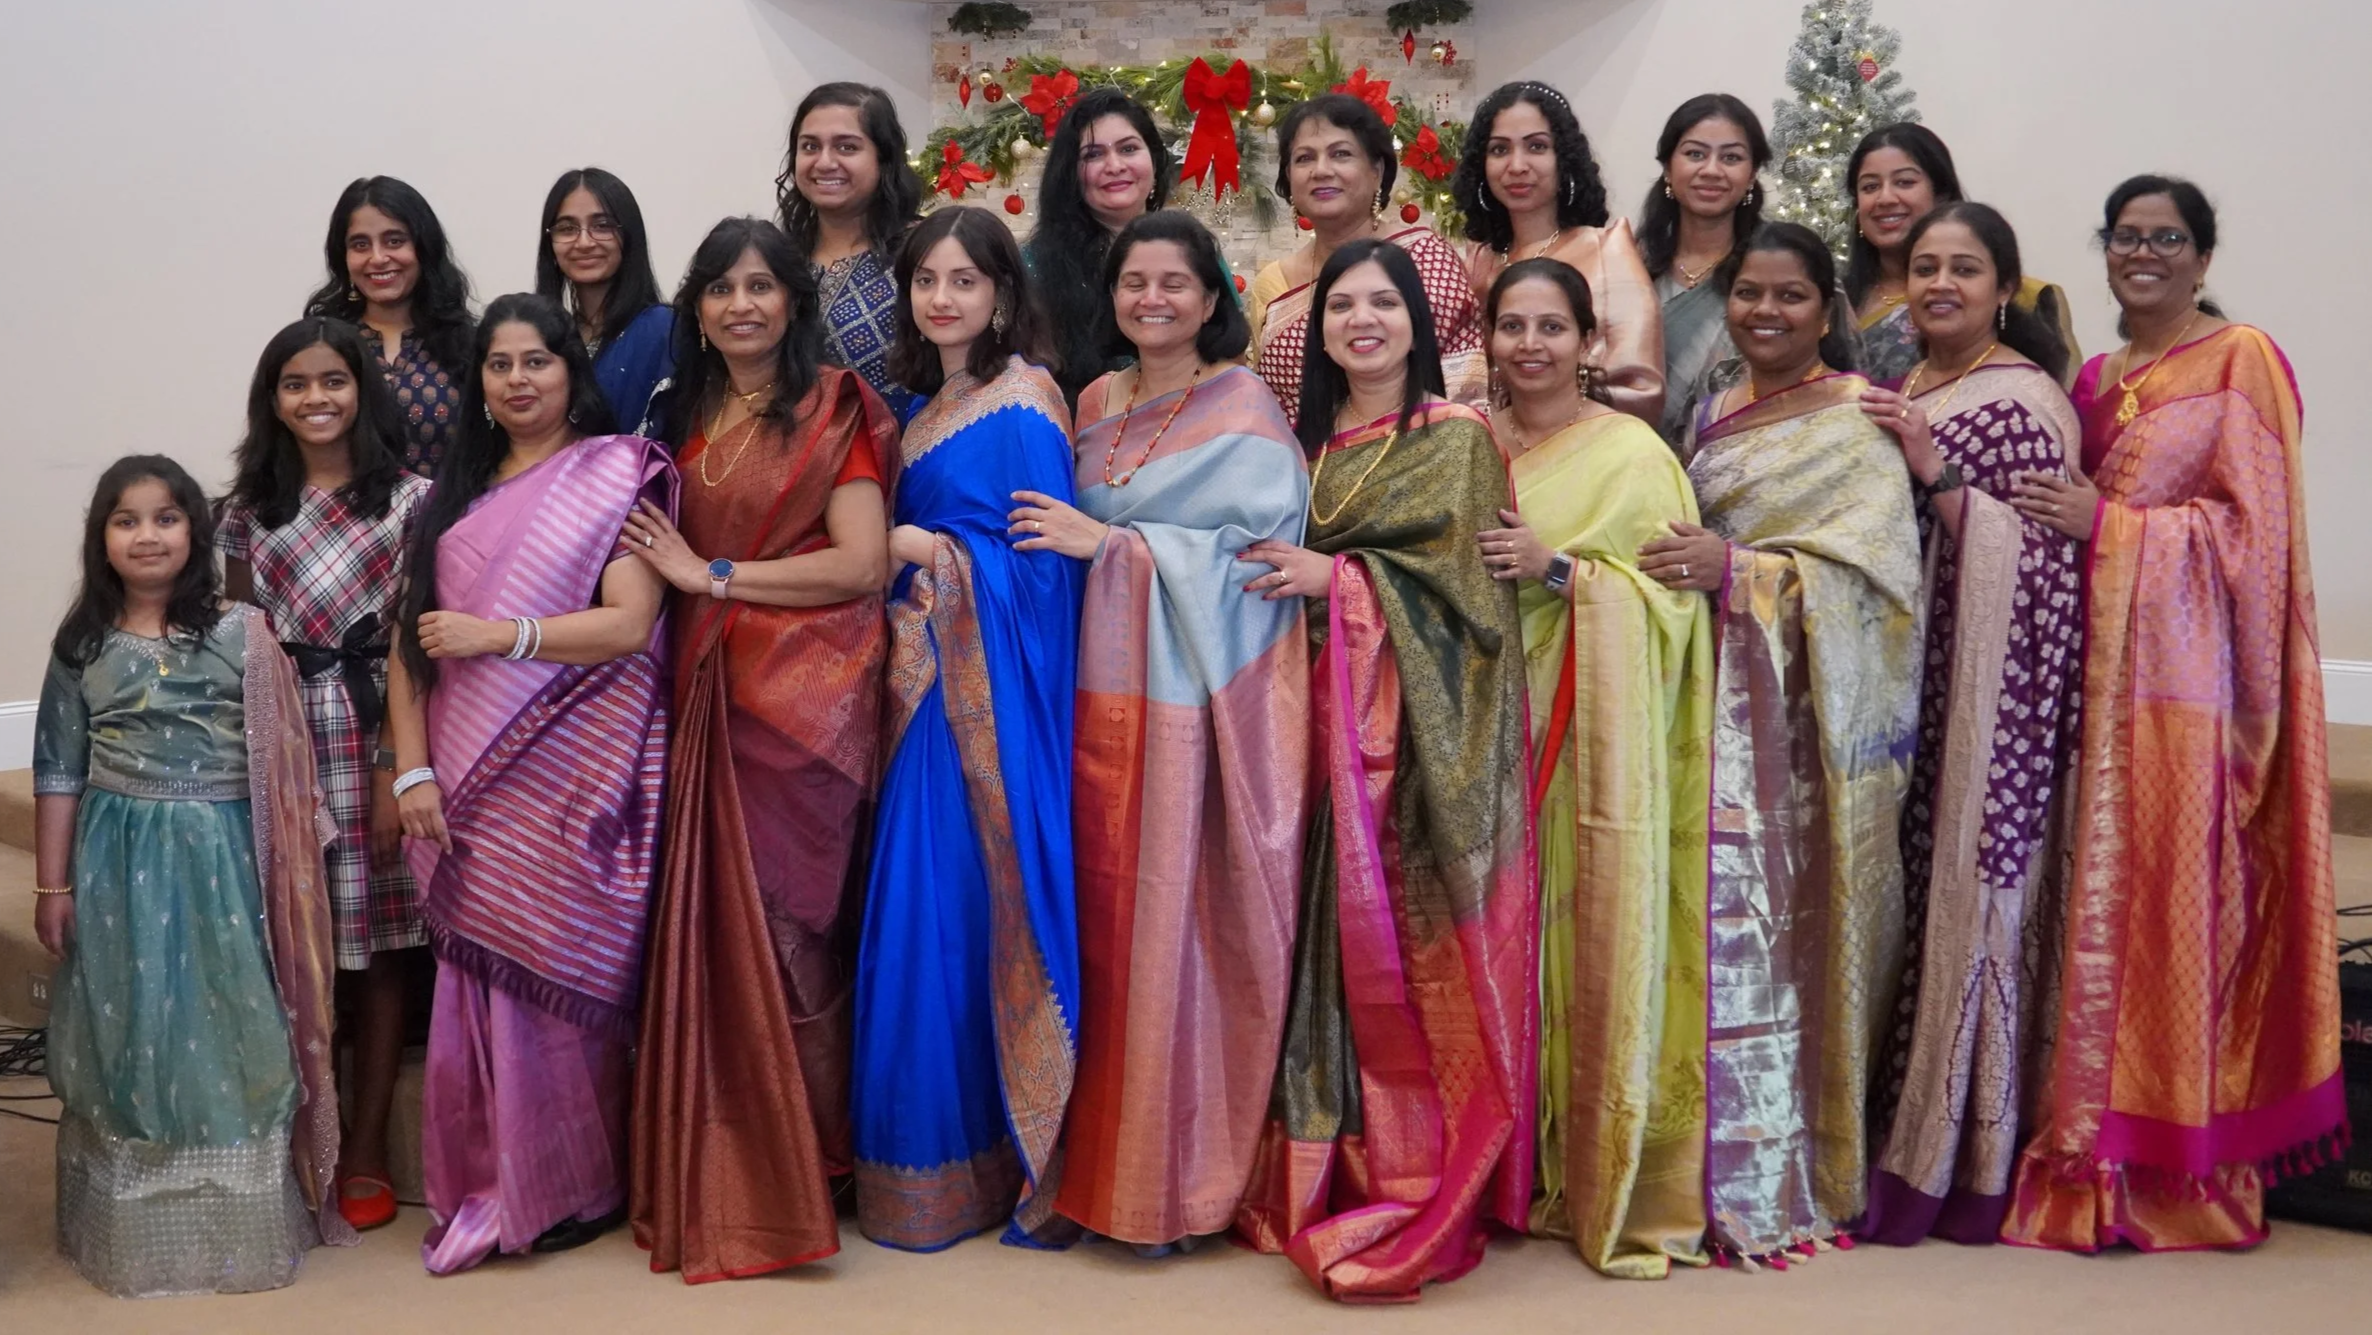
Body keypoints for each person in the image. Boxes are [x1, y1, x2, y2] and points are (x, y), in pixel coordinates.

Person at [2001, 176, 2341, 1252]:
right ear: (2103, 250)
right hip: (2092, 689)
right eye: (2126, 236)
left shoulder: (2242, 358)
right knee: (2082, 915)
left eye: (2168, 238)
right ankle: (2080, 1144)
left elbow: (2255, 543)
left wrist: (2110, 525)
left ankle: (2166, 1163)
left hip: (2185, 700)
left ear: (2199, 255)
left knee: (2165, 917)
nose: (2143, 253)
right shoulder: (2096, 377)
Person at [1232, 237, 1533, 1302]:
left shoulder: (1451, 437)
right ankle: (1333, 1157)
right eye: (1341, 307)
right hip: (1314, 738)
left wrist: (1338, 579)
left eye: (1382, 304)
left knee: (1405, 960)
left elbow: (1469, 611)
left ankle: (1412, 1161)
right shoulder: (1310, 447)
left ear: (1417, 319)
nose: (1361, 321)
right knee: (1321, 948)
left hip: (1408, 757)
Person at [1018, 211, 1309, 1253]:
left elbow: (1256, 566)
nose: (1151, 299)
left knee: (1167, 935)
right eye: (1133, 281)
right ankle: (1079, 1167)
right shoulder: (1093, 399)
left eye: (1173, 283)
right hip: (1085, 701)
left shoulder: (1244, 405)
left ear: (1209, 296)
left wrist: (1114, 544)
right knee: (1088, 935)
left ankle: (1161, 1186)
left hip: (1187, 711)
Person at [622, 217, 900, 1282]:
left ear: (793, 300)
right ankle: (724, 1155)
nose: (741, 305)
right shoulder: (680, 414)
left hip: (807, 703)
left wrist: (716, 578)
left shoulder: (838, 405)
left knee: (794, 930)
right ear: (695, 308)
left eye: (760, 287)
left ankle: (811, 1161)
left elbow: (862, 564)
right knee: (705, 933)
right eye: (720, 289)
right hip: (701, 695)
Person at [1644, 222, 1920, 1266]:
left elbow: (1878, 591)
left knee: (1797, 933)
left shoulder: (1857, 422)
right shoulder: (1711, 413)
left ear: (1826, 309)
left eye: (1790, 296)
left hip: (1811, 737)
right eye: (1748, 294)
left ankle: (1793, 1157)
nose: (1764, 313)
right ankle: (1689, 1150)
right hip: (1705, 710)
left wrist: (1743, 574)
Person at [385, 294, 672, 1274]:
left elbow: (630, 625)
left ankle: (571, 1186)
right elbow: (404, 648)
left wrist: (499, 636)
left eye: (536, 361)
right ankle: (491, 1174)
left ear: (568, 371)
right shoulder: (445, 497)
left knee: (558, 974)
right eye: (498, 365)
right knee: (477, 973)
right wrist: (412, 766)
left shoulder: (614, 474)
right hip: (462, 768)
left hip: (569, 768)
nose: (516, 380)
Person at [35, 456, 351, 1296]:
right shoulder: (83, 644)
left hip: (224, 860)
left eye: (166, 517)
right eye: (127, 519)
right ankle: (131, 1226)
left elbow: (283, 759)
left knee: (232, 1017)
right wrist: (53, 886)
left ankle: (235, 1221)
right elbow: (59, 770)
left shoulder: (241, 631)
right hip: (116, 862)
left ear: (195, 533)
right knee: (129, 1024)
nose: (147, 534)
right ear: (102, 537)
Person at [1472, 258, 1713, 1277]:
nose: (1530, 346)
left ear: (1586, 342)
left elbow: (1673, 608)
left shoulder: (1632, 454)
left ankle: (1589, 1152)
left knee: (1574, 941)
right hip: (1476, 731)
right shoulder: (1466, 441)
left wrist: (1559, 571)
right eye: (1511, 327)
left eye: (1551, 328)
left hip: (1585, 741)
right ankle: (1498, 1154)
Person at [850, 206, 1084, 1252]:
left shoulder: (1025, 403)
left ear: (1002, 292)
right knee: (916, 917)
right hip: (919, 697)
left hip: (977, 704)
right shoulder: (926, 402)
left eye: (964, 280)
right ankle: (920, 1169)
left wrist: (928, 554)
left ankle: (989, 1161)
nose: (942, 298)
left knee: (947, 912)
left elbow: (1040, 573)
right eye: (925, 280)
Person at [1850, 203, 2084, 1246]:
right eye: (1924, 267)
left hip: (1997, 691)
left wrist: (1932, 473)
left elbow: (2038, 565)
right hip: (1912, 675)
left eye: (1964, 268)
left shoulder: (2023, 400)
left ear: (2002, 288)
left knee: (1972, 893)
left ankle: (1967, 1153)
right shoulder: (1908, 386)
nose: (1939, 282)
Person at [217, 317, 434, 1235]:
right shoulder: (243, 512)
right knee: (294, 940)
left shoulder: (412, 501)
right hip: (280, 740)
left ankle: (372, 1143)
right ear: (274, 400)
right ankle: (307, 1126)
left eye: (334, 380)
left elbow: (412, 645)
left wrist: (394, 766)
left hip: (370, 729)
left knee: (380, 946)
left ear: (362, 389)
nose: (317, 398)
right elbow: (230, 640)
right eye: (296, 384)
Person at [1247, 93, 1484, 421]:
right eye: (1304, 158)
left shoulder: (1426, 260)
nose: (1321, 170)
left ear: (1376, 170)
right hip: (1310, 464)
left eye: (1341, 154)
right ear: (1288, 177)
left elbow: (1464, 389)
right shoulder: (1274, 283)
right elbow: (1274, 409)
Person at [1454, 81, 1663, 426]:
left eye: (1536, 146)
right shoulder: (1477, 262)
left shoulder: (1606, 249)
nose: (1517, 165)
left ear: (1563, 158)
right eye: (1499, 150)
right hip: (1487, 454)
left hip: (1588, 454)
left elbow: (1641, 389)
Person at [1844, 125, 2078, 385]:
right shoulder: (1837, 306)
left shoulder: (2024, 297)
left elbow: (2060, 400)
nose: (1885, 198)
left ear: (1941, 194)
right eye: (1870, 187)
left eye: (1905, 182)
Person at [304, 176, 475, 476]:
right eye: (360, 244)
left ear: (423, 248)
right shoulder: (321, 345)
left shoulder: (469, 346)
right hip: (342, 520)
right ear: (342, 257)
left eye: (394, 240)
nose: (378, 258)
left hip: (453, 519)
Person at [778, 81, 927, 422]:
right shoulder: (779, 260)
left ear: (883, 158)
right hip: (797, 462)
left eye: (846, 147)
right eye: (810, 146)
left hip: (907, 461)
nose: (825, 162)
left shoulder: (923, 254)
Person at [1025, 89, 1177, 407]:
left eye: (1129, 149)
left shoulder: (1190, 252)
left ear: (1154, 159)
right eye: (1093, 154)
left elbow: (1226, 353)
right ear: (1071, 174)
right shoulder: (1034, 266)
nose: (1114, 165)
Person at [1634, 93, 1770, 443]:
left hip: (1748, 462)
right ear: (1668, 167)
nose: (1711, 170)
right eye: (1695, 154)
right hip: (1639, 470)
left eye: (1731, 157)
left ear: (1752, 173)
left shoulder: (1776, 266)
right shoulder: (1629, 265)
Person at [536, 167, 673, 430]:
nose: (584, 242)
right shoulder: (544, 339)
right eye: (567, 228)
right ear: (550, 245)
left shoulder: (662, 330)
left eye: (602, 226)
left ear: (629, 236)